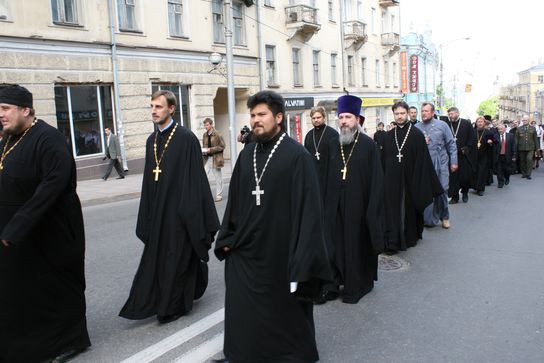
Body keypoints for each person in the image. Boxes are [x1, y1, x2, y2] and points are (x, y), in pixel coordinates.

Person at [214, 91, 332, 363]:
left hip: (282, 249)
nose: (255, 120)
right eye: (253, 115)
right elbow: (236, 201)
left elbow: (309, 212)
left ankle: (289, 355)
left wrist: (303, 258)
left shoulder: (297, 156)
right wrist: (228, 237)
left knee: (284, 310)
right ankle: (242, 353)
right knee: (243, 306)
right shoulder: (248, 154)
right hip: (247, 247)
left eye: (261, 115)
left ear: (278, 118)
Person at [0, 85, 91, 362]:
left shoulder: (49, 139)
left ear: (25, 110)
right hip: (20, 232)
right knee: (25, 291)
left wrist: (18, 225)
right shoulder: (8, 139)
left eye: (5, 109)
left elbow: (51, 188)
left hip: (51, 231)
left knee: (56, 289)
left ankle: (70, 342)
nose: (0, 115)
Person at [120, 90, 220, 324]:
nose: (154, 111)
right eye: (152, 107)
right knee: (161, 260)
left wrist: (190, 214)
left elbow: (195, 180)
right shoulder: (151, 141)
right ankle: (167, 299)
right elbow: (148, 180)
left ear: (172, 109)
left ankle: (173, 306)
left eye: (159, 107)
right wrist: (147, 213)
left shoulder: (186, 138)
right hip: (158, 213)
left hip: (180, 214)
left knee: (177, 259)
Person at [321, 94, 385, 304]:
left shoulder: (368, 145)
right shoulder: (332, 144)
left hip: (358, 207)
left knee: (354, 245)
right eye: (341, 117)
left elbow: (376, 181)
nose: (344, 121)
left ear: (357, 119)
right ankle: (331, 283)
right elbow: (324, 175)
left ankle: (355, 285)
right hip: (334, 206)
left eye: (348, 117)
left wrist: (371, 211)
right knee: (332, 244)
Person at [382, 101, 443, 254]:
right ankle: (393, 240)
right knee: (392, 210)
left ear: (408, 113)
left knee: (407, 209)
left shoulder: (416, 135)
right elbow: (383, 160)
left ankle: (409, 236)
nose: (400, 116)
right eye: (397, 114)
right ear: (393, 114)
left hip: (411, 181)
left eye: (402, 113)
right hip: (392, 181)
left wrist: (419, 182)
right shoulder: (389, 136)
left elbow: (422, 161)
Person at [415, 102, 458, 228]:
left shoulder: (442, 125)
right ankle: (427, 218)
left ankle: (445, 216)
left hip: (441, 163)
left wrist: (454, 162)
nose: (424, 113)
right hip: (424, 165)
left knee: (442, 190)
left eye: (426, 111)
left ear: (433, 113)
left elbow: (451, 144)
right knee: (425, 192)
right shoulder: (416, 127)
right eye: (422, 111)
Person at [441, 107, 476, 204]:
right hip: (451, 156)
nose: (450, 116)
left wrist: (467, 147)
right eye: (449, 114)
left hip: (463, 155)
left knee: (464, 177)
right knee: (453, 178)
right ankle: (455, 197)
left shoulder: (466, 124)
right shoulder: (446, 125)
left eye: (452, 114)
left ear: (458, 113)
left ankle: (465, 193)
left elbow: (472, 137)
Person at [304, 106, 339, 191]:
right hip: (313, 176)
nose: (316, 120)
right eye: (313, 118)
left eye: (318, 117)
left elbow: (336, 158)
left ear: (324, 118)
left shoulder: (333, 134)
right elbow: (306, 156)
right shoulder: (309, 135)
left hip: (328, 175)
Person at [202, 118, 225, 202]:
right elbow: (204, 145)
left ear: (211, 125)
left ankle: (219, 195)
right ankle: (205, 195)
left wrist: (210, 150)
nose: (206, 126)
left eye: (207, 125)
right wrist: (204, 151)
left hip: (216, 158)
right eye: (205, 125)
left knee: (218, 178)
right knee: (203, 176)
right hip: (207, 158)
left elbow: (222, 146)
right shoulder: (204, 135)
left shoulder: (218, 134)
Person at [472, 116, 496, 196]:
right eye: (478, 122)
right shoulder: (473, 131)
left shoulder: (489, 132)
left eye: (481, 122)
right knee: (475, 171)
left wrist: (491, 142)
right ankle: (475, 186)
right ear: (476, 123)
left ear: (484, 123)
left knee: (482, 172)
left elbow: (494, 141)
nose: (480, 123)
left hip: (484, 155)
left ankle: (481, 189)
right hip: (474, 155)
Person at [515, 115, 539, 180]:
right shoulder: (519, 128)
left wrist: (537, 148)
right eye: (523, 120)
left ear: (528, 120)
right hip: (521, 147)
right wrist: (515, 147)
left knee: (529, 160)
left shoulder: (533, 128)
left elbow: (535, 139)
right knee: (522, 161)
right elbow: (516, 139)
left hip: (531, 147)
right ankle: (524, 173)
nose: (524, 121)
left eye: (525, 120)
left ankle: (528, 174)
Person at [495, 124, 516, 188]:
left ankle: (507, 178)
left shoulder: (510, 136)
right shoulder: (495, 136)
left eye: (501, 129)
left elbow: (513, 146)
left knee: (507, 170)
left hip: (507, 156)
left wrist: (514, 155)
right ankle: (500, 182)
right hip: (498, 156)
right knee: (499, 170)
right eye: (498, 129)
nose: (500, 130)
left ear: (504, 129)